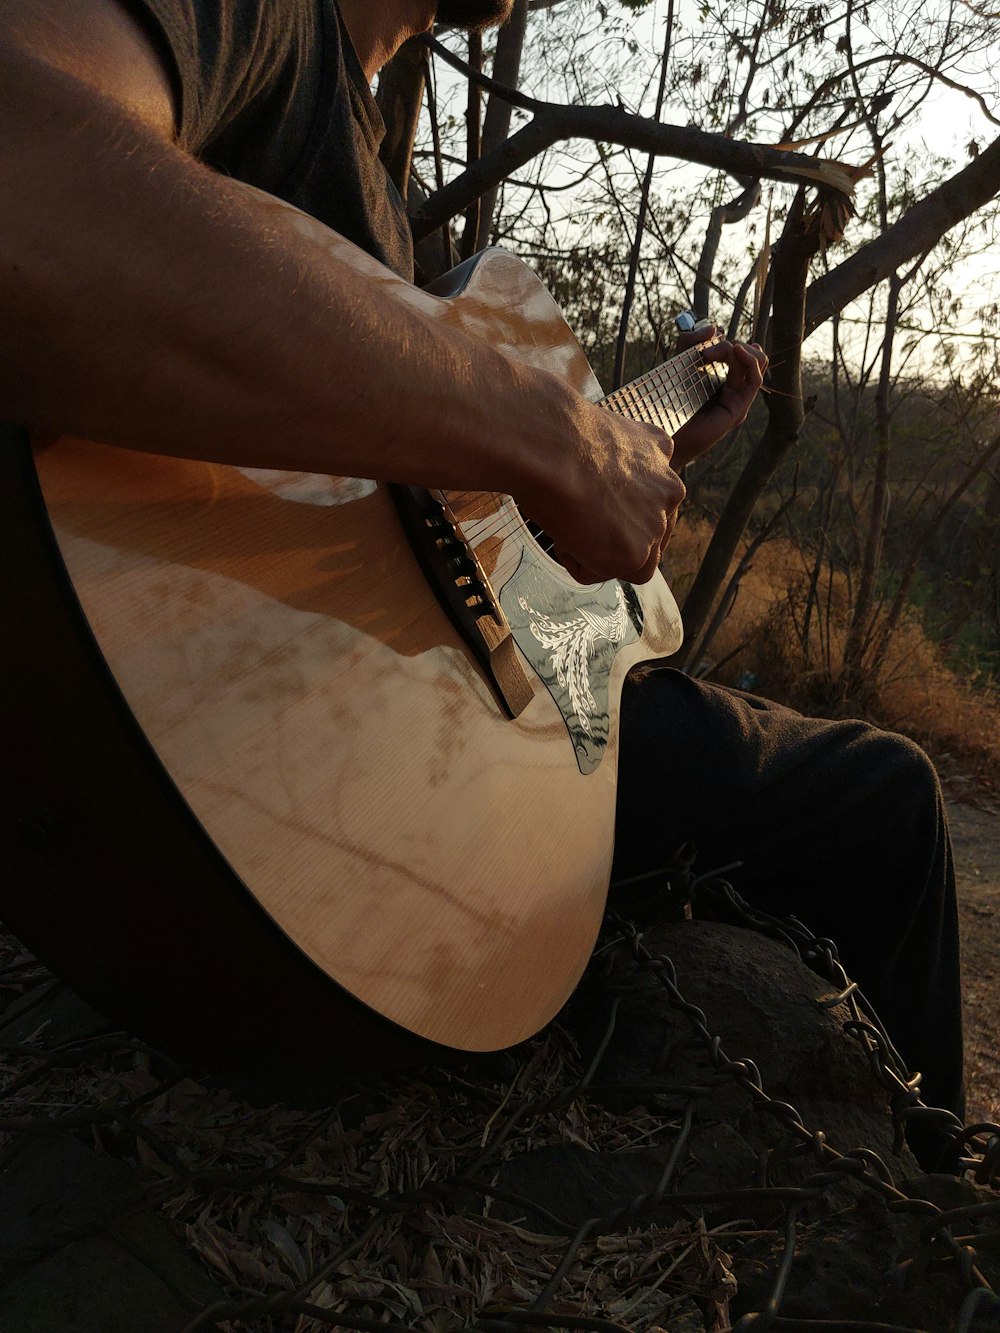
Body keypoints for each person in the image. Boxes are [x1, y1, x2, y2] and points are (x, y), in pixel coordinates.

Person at [0, 0, 964, 1165]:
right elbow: (27, 177)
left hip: (410, 747)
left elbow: (406, 520)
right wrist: (556, 440)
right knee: (884, 797)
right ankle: (941, 1189)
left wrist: (624, 457)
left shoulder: (373, 176)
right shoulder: (258, 21)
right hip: (219, 737)